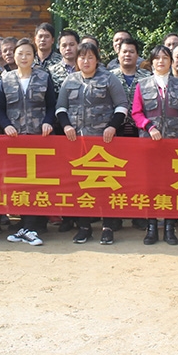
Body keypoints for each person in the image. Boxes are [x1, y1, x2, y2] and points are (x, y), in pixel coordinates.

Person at [56, 41, 129, 245]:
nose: (86, 61)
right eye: (82, 57)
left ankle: (108, 226)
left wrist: (112, 126)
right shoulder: (70, 80)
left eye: (90, 57)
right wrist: (66, 125)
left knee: (105, 184)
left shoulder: (109, 78)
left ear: (97, 60)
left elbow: (122, 105)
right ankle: (84, 227)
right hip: (77, 142)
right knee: (80, 185)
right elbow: (60, 108)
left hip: (103, 142)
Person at [0, 38, 56, 247]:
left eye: (28, 54)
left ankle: (30, 226)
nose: (24, 57)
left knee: (37, 181)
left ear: (33, 57)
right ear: (14, 56)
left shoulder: (44, 77)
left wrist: (48, 122)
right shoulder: (6, 79)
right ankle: (26, 224)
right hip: (15, 139)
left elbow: (52, 105)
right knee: (19, 182)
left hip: (39, 138)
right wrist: (5, 125)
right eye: (20, 53)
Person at [131, 45, 178, 246]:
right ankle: (151, 227)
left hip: (175, 142)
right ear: (151, 62)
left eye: (165, 58)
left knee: (172, 185)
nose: (161, 62)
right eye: (157, 58)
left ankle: (169, 227)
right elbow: (136, 113)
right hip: (150, 143)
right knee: (151, 185)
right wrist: (149, 126)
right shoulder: (142, 85)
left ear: (170, 62)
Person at [110, 37, 150, 138]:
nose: (127, 54)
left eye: (131, 52)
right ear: (118, 55)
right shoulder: (109, 77)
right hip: (114, 129)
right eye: (124, 52)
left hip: (143, 129)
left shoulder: (148, 77)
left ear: (137, 55)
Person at [48, 28, 80, 93]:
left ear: (78, 45)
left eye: (71, 44)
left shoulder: (85, 68)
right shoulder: (51, 71)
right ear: (59, 47)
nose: (68, 48)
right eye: (64, 45)